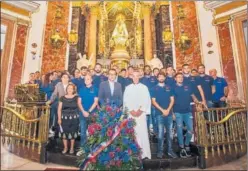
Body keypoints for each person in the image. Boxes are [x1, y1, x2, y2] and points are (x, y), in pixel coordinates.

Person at [123, 70, 151, 159]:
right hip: (131, 115)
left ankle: (144, 153)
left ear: (139, 77)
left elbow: (146, 100)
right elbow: (125, 101)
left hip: (141, 115)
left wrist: (140, 110)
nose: (135, 78)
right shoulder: (128, 88)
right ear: (131, 77)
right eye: (133, 76)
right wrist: (131, 111)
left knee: (142, 133)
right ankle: (132, 153)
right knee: (132, 133)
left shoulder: (144, 88)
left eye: (137, 76)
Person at [151, 72, 177, 159]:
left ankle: (170, 150)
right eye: (160, 77)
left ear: (165, 78)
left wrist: (168, 110)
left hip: (169, 114)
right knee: (161, 134)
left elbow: (172, 100)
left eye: (163, 76)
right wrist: (163, 110)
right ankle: (160, 151)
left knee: (170, 134)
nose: (161, 78)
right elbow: (153, 101)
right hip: (159, 114)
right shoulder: (154, 88)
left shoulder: (169, 87)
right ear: (157, 78)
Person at [57, 84, 88, 154]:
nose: (70, 90)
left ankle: (71, 148)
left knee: (73, 134)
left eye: (71, 88)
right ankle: (65, 148)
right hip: (64, 119)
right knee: (64, 134)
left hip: (74, 119)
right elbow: (59, 109)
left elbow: (80, 106)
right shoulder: (62, 98)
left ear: (74, 90)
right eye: (68, 88)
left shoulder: (77, 97)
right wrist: (59, 119)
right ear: (66, 89)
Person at [173, 73, 199, 158]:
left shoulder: (187, 86)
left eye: (181, 77)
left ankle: (187, 144)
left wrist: (197, 101)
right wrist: (172, 113)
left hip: (188, 112)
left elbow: (193, 96)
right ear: (175, 78)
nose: (180, 78)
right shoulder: (173, 88)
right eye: (178, 77)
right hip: (177, 112)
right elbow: (171, 101)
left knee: (191, 130)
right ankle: (181, 147)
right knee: (179, 130)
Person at [77, 74, 99, 156]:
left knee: (92, 132)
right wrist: (83, 111)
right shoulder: (81, 89)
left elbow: (96, 102)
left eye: (88, 79)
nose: (87, 80)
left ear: (91, 80)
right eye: (86, 79)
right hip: (82, 114)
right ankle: (83, 149)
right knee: (83, 132)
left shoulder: (96, 89)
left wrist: (88, 112)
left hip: (92, 114)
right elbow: (79, 102)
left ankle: (92, 149)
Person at [140, 65, 158, 136]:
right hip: (145, 102)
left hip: (153, 101)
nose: (147, 70)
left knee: (154, 117)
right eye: (146, 69)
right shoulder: (141, 79)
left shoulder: (154, 78)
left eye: (148, 69)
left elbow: (157, 88)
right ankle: (146, 132)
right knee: (146, 118)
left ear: (150, 70)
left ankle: (156, 133)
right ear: (144, 71)